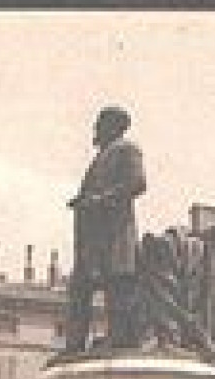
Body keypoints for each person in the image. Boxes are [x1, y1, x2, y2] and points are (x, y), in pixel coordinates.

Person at [62, 106, 146, 357]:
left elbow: (137, 183)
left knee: (117, 287)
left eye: (99, 124)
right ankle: (74, 346)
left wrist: (100, 199)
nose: (95, 129)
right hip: (93, 238)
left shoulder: (126, 150)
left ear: (114, 126)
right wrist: (81, 200)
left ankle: (119, 341)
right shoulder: (100, 158)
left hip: (115, 234)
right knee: (79, 289)